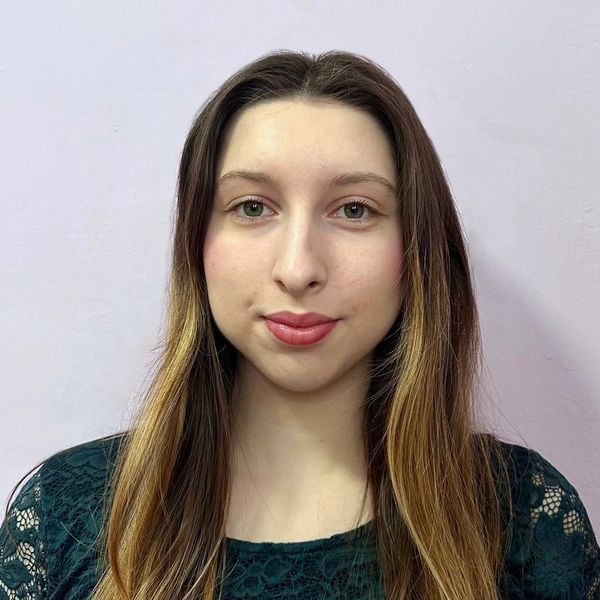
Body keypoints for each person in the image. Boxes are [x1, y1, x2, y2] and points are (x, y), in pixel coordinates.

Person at [1, 49, 599, 600]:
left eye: (354, 210)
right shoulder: (63, 516)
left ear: (417, 248)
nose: (298, 269)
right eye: (252, 207)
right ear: (196, 243)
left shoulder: (524, 520)